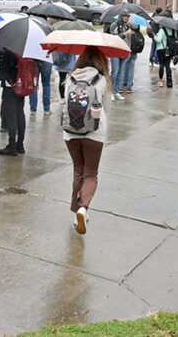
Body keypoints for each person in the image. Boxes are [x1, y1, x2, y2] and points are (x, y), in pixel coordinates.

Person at [62, 47, 111, 236]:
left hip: (70, 132)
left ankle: (76, 214)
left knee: (78, 171)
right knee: (90, 174)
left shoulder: (71, 77)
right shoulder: (101, 79)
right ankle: (83, 208)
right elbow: (106, 108)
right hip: (94, 133)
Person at [0, 50, 27, 156]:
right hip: (21, 86)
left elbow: (1, 75)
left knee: (11, 116)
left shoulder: (6, 53)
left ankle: (12, 146)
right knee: (20, 113)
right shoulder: (24, 52)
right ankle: (20, 144)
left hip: (10, 87)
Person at [151, 22, 173, 88]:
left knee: (162, 65)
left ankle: (160, 81)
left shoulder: (162, 30)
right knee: (167, 65)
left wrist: (154, 35)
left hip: (161, 49)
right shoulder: (171, 29)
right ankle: (169, 82)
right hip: (169, 49)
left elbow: (158, 40)